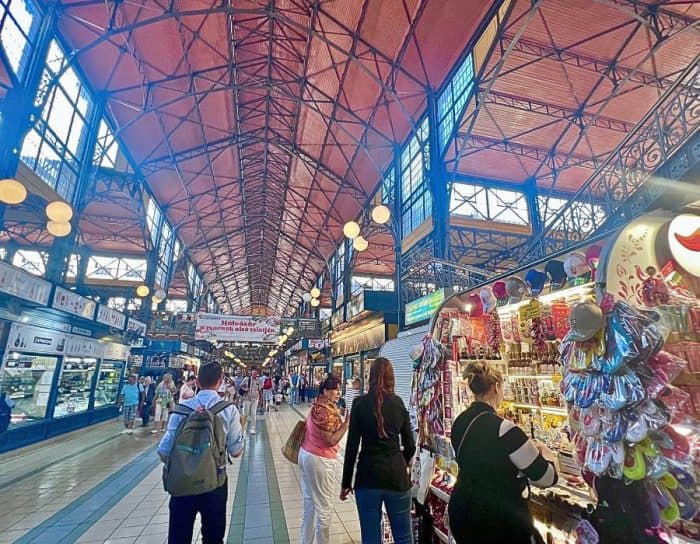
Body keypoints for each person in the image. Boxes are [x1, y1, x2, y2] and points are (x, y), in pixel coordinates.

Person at [447, 361, 557, 544]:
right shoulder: (505, 430)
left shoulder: (460, 422)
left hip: (463, 514)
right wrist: (547, 454)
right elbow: (546, 477)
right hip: (499, 523)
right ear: (496, 387)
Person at [158, 361, 244, 544]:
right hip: (214, 482)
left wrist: (187, 460)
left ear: (197, 381)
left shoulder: (181, 410)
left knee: (178, 537)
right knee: (213, 537)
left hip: (182, 484)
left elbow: (163, 450)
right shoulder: (228, 410)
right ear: (220, 380)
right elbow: (236, 451)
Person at [340, 358, 415, 544]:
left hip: (367, 477)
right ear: (392, 377)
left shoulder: (359, 404)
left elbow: (351, 447)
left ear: (370, 377)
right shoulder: (398, 403)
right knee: (404, 536)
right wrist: (398, 463)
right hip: (396, 478)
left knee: (371, 537)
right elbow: (411, 446)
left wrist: (346, 483)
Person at [299, 375, 349, 544]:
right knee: (324, 508)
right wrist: (347, 423)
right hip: (319, 459)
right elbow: (330, 440)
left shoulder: (319, 405)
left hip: (307, 454)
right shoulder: (324, 410)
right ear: (326, 391)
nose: (338, 393)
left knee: (310, 503)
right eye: (336, 389)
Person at [240, 370, 260, 435]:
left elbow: (259, 389)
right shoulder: (246, 379)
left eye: (256, 374)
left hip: (255, 399)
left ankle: (252, 429)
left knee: (253, 414)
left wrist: (261, 399)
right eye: (254, 373)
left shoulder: (258, 381)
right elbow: (241, 386)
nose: (255, 375)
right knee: (245, 414)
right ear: (251, 374)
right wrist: (245, 389)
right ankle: (243, 429)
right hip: (247, 399)